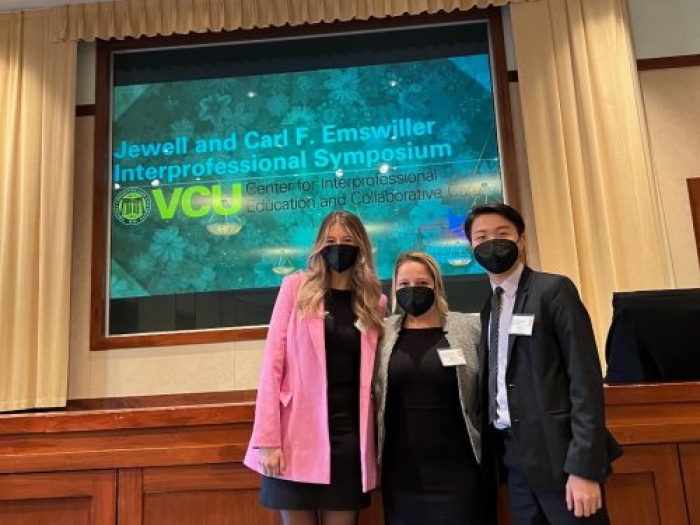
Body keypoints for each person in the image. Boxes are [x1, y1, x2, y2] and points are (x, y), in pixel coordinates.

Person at [463, 203, 622, 525]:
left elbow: (585, 380)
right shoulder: (488, 307)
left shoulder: (552, 290)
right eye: (481, 236)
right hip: (514, 460)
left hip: (561, 457)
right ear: (471, 248)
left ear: (521, 240)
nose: (491, 242)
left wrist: (584, 469)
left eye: (502, 233)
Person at [243, 211, 387, 525]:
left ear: (361, 247)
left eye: (347, 241)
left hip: (349, 439)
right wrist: (268, 440)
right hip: (295, 437)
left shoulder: (374, 302)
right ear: (319, 246)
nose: (339, 247)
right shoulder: (296, 288)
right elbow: (272, 366)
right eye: (331, 241)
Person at [373, 251, 486, 525]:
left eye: (422, 283)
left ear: (436, 285)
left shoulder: (470, 327)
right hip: (402, 471)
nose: (413, 290)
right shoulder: (382, 332)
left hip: (459, 467)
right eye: (404, 284)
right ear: (395, 288)